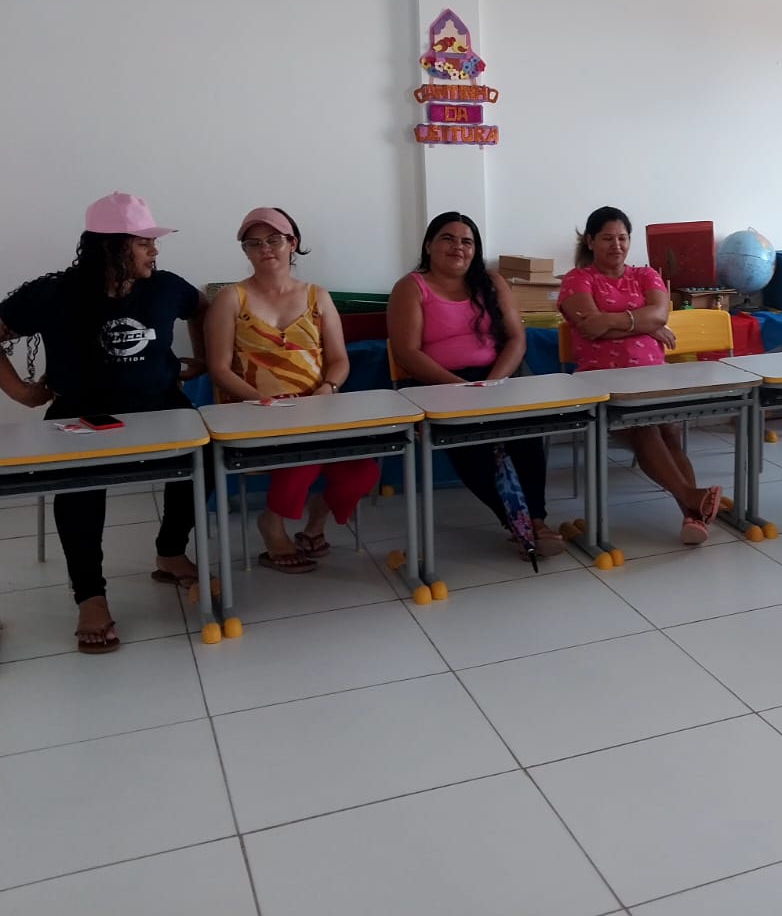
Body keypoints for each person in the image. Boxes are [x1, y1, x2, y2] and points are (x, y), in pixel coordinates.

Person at [0, 193, 208, 653]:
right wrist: (20, 392)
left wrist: (199, 361)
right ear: (111, 247)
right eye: (144, 243)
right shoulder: (54, 293)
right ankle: (90, 596)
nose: (155, 251)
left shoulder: (166, 286)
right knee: (78, 484)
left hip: (161, 406)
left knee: (206, 457)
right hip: (81, 414)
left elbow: (204, 308)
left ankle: (171, 552)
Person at [205, 208, 377, 573]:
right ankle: (271, 523)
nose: (265, 248)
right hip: (255, 412)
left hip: (317, 409)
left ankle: (315, 524)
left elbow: (340, 361)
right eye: (254, 243)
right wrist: (263, 402)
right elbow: (219, 369)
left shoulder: (317, 296)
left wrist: (327, 389)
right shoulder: (231, 298)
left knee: (361, 471)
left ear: (292, 243)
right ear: (246, 251)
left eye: (274, 240)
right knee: (303, 456)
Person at [387, 212, 560, 559]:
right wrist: (461, 388)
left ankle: (536, 520)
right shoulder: (411, 287)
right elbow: (407, 352)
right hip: (439, 383)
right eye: (448, 238)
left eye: (467, 241)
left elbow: (517, 339)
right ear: (429, 245)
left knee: (526, 432)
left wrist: (492, 383)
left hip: (497, 377)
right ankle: (517, 522)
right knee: (470, 447)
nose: (458, 247)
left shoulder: (492, 282)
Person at [558, 206, 722, 545]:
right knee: (643, 426)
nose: (616, 245)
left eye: (622, 238)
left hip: (652, 377)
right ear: (590, 241)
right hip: (601, 381)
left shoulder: (645, 274)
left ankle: (693, 512)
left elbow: (659, 315)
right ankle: (692, 500)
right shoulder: (578, 279)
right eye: (607, 238)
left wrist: (614, 320)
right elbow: (590, 327)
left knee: (669, 431)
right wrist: (643, 324)